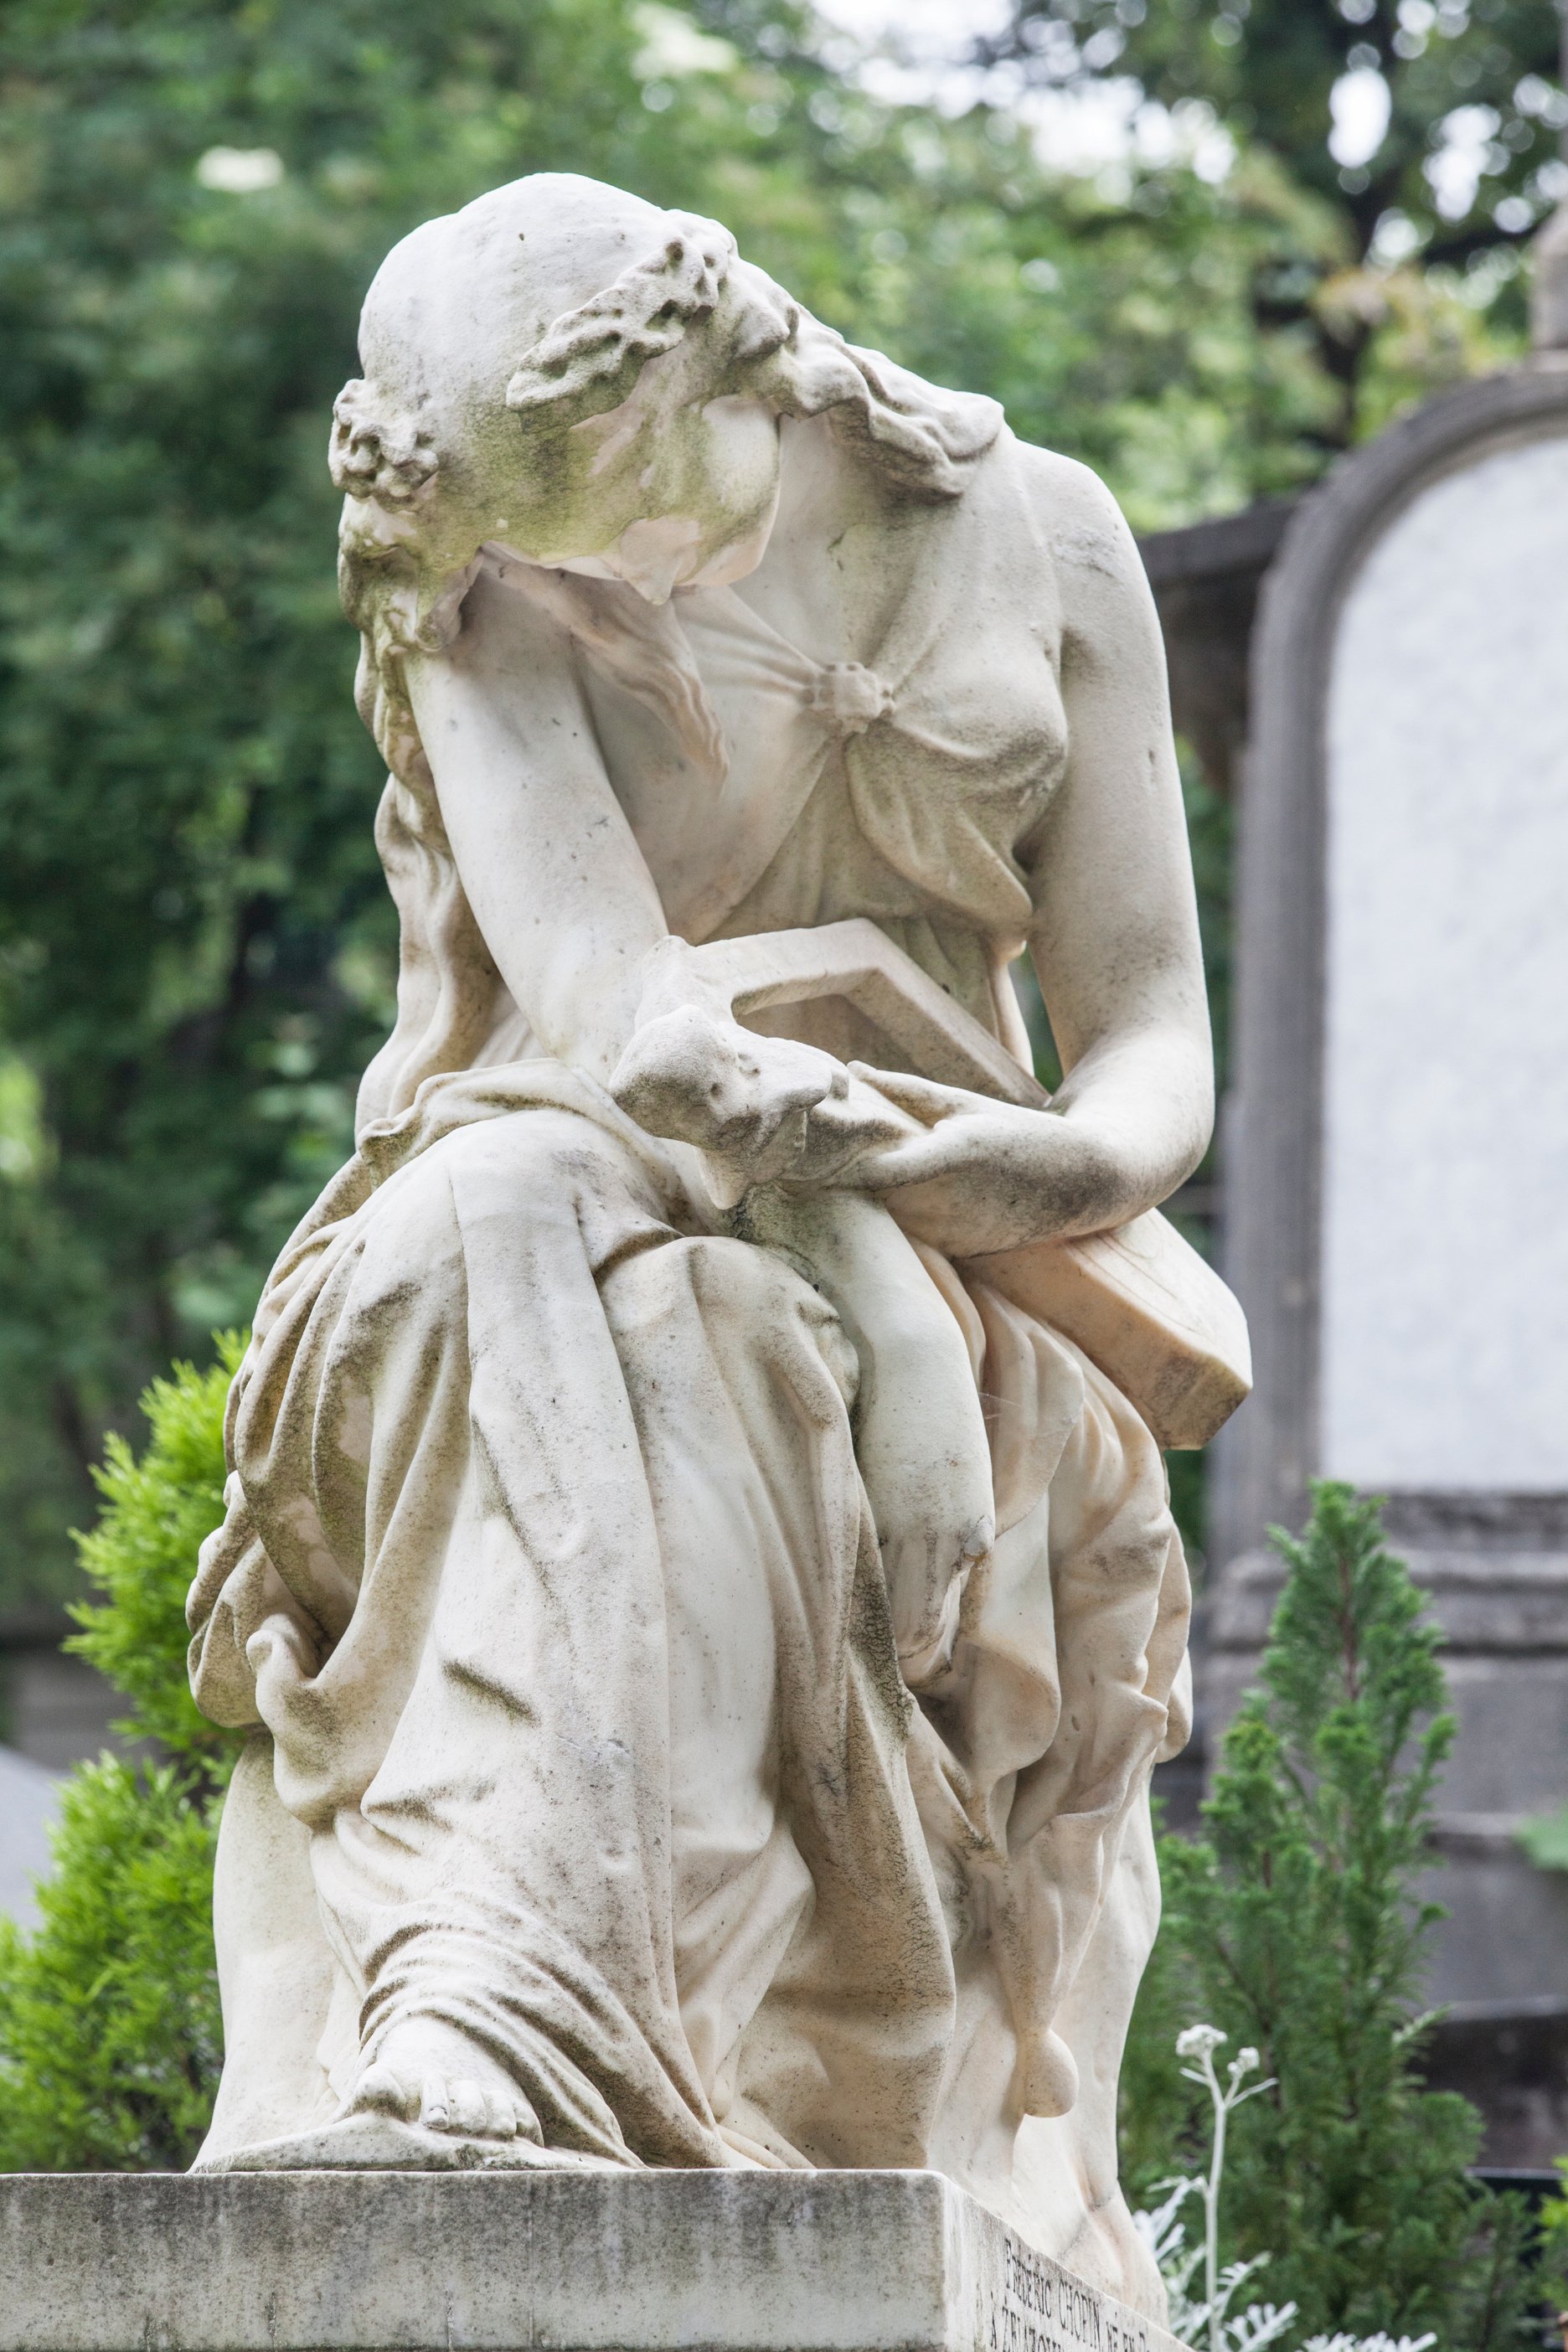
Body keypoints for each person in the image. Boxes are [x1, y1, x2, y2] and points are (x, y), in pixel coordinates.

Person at [186, 173, 1213, 2308]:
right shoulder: (472, 586)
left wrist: (1025, 1193)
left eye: (653, 518)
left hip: (961, 1224)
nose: (621, 590)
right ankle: (501, 2004)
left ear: (750, 366)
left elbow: (1152, 1052)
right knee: (557, 1236)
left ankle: (514, 2013)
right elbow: (616, 1016)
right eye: (567, 561)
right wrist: (879, 1317)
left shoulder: (1053, 536)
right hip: (547, 1173)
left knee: (701, 1336)